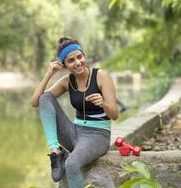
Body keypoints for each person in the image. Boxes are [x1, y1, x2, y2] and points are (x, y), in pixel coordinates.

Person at [31, 37, 118, 188]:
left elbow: (115, 115)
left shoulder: (101, 76)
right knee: (45, 98)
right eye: (71, 60)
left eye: (79, 57)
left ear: (84, 55)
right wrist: (49, 74)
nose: (77, 62)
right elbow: (35, 102)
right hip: (75, 132)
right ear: (64, 65)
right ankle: (55, 152)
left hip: (98, 135)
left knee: (71, 164)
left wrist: (103, 103)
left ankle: (65, 157)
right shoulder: (67, 81)